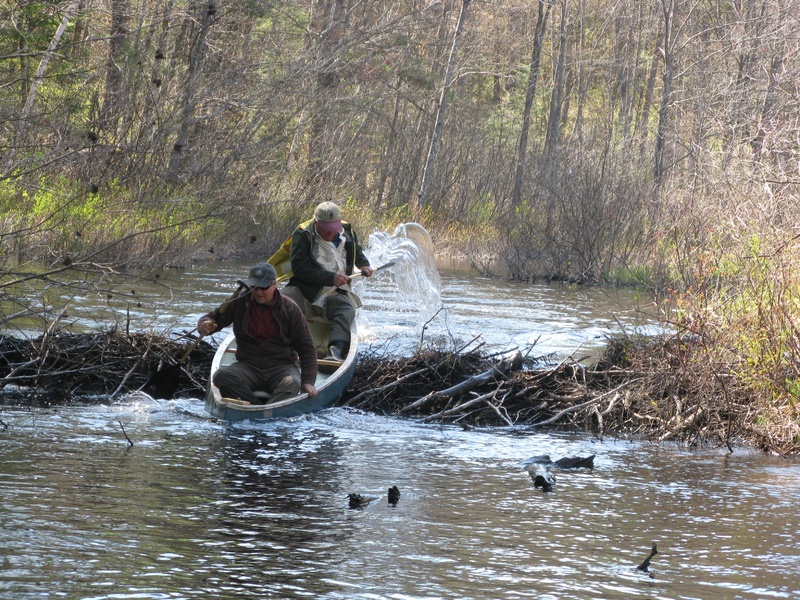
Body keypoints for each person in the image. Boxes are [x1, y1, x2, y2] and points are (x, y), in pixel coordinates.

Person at [197, 262, 318, 404]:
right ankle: (257, 407)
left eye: (264, 287)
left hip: (281, 368)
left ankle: (269, 409)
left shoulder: (290, 308)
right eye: (254, 287)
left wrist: (308, 381)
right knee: (220, 376)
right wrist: (204, 325)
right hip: (248, 366)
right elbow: (213, 318)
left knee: (292, 383)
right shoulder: (238, 301)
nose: (259, 292)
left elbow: (307, 348)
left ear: (274, 284)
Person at [281, 201, 373, 361]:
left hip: (335, 292)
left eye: (334, 229)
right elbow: (300, 269)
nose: (331, 234)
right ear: (316, 223)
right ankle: (283, 346)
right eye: (326, 230)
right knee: (282, 302)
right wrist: (330, 278)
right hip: (305, 290)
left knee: (346, 310)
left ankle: (335, 352)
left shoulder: (348, 232)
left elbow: (356, 250)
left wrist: (364, 264)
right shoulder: (303, 234)